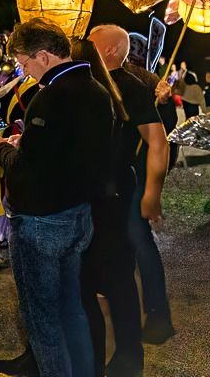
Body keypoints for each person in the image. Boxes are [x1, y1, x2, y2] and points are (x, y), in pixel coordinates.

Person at [0, 18, 113, 377]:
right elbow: (74, 153)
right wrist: (29, 145)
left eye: (24, 63)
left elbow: (26, 172)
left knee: (43, 320)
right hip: (79, 214)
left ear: (43, 56)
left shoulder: (49, 97)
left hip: (42, 222)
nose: (23, 71)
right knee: (72, 310)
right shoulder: (98, 92)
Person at [89, 24, 175, 346]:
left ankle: (156, 313)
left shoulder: (141, 83)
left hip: (130, 177)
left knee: (137, 241)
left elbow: (160, 139)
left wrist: (152, 193)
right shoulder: (90, 83)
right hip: (99, 184)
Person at [72, 38, 144, 377]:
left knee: (109, 278)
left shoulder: (97, 93)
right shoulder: (106, 90)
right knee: (114, 279)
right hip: (111, 191)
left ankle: (123, 358)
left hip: (106, 194)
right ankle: (126, 355)